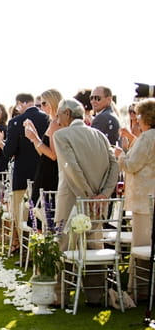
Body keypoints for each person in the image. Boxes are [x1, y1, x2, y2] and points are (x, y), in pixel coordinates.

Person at [53, 98, 119, 307]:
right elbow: (114, 165)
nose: (56, 118)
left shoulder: (61, 135)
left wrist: (88, 194)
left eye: (59, 114)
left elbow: (70, 167)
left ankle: (58, 295)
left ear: (67, 114)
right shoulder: (99, 135)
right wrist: (103, 195)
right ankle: (95, 296)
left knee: (61, 244)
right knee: (94, 245)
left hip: (72, 199)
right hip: (98, 203)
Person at [0, 93, 50, 252]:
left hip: (22, 176)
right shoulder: (48, 119)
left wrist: (1, 142)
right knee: (42, 215)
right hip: (44, 174)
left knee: (22, 216)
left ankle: (26, 252)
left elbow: (9, 152)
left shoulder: (15, 122)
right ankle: (42, 250)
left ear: (19, 103)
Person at [114, 98, 155, 299]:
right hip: (150, 197)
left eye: (138, 115)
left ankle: (140, 290)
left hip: (144, 199)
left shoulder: (147, 138)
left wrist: (120, 154)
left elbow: (131, 165)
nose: (136, 119)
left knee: (142, 244)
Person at [23, 89, 62, 216]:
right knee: (39, 216)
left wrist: (35, 138)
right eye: (39, 105)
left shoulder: (56, 123)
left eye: (44, 104)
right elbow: (43, 153)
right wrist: (34, 137)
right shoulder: (52, 122)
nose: (42, 107)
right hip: (45, 170)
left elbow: (53, 155)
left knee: (44, 216)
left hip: (51, 173)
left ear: (53, 103)